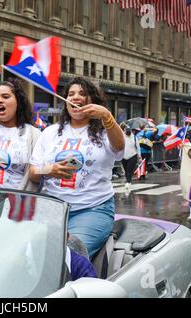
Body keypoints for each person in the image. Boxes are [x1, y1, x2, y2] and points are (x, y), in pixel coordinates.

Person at [29, 77, 125, 259]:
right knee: (31, 254)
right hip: (53, 208)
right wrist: (47, 171)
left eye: (82, 93)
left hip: (93, 209)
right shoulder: (50, 132)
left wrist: (107, 116)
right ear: (65, 102)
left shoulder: (104, 130)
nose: (76, 97)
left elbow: (119, 148)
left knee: (68, 256)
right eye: (71, 94)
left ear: (93, 101)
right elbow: (33, 172)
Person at [121, 123, 141, 191]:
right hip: (124, 156)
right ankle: (128, 180)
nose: (128, 131)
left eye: (129, 130)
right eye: (127, 130)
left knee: (130, 169)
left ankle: (128, 182)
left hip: (132, 155)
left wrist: (139, 156)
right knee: (126, 170)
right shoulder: (122, 136)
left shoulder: (134, 138)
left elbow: (138, 147)